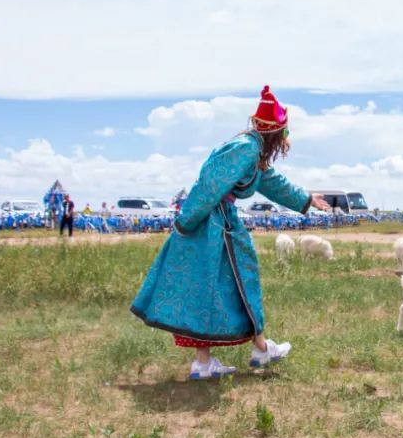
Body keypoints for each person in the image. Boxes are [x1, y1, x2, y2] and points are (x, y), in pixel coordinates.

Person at [131, 86, 331, 380]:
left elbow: (271, 182)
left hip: (217, 223)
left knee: (212, 288)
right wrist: (187, 222)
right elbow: (211, 185)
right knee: (240, 279)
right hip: (212, 225)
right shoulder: (245, 148)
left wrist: (305, 198)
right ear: (276, 133)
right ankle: (260, 349)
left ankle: (206, 362)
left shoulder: (253, 153)